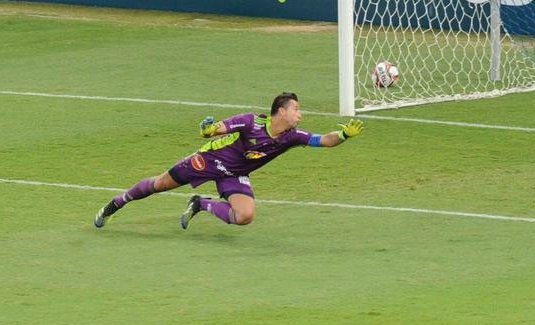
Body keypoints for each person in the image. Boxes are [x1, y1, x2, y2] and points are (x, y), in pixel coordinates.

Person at [94, 92, 363, 229]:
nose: (299, 115)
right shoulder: (251, 121)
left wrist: (343, 135)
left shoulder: (291, 136)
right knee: (160, 184)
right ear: (280, 111)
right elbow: (217, 128)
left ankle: (202, 204)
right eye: (296, 109)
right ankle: (117, 203)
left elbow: (323, 140)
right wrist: (207, 129)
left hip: (234, 174)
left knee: (245, 216)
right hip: (209, 160)